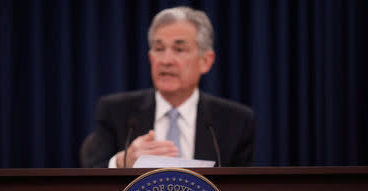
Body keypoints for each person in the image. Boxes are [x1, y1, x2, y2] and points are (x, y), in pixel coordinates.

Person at [81, 6, 255, 168]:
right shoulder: (116, 111)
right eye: (159, 48)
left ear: (206, 61)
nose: (165, 61)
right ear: (150, 58)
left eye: (179, 49)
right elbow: (88, 177)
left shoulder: (236, 121)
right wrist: (121, 162)